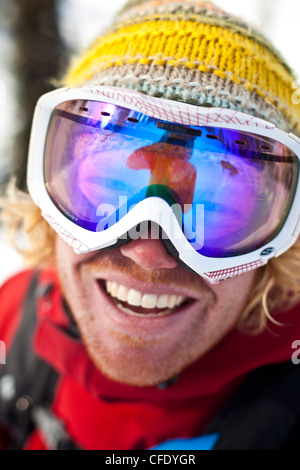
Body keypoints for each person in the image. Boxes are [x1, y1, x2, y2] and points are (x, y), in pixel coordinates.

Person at [1, 0, 300, 451]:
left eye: (212, 207)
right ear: (52, 195)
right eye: (111, 186)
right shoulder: (11, 320)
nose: (148, 252)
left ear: (278, 246)